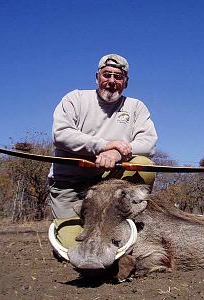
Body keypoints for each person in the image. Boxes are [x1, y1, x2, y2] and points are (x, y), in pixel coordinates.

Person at [48, 54, 157, 249]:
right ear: (97, 76)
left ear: (126, 82)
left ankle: (123, 218)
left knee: (145, 166)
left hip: (107, 184)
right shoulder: (75, 99)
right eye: (107, 75)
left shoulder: (136, 107)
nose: (112, 81)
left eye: (118, 76)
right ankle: (72, 225)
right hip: (69, 185)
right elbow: (61, 135)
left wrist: (117, 153)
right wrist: (104, 145)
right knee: (73, 246)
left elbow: (149, 143)